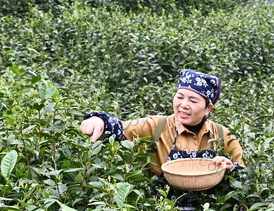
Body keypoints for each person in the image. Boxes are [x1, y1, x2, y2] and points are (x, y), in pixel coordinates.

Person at [78, 69, 245, 189]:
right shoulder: (156, 126)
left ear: (208, 108)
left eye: (193, 101)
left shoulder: (222, 134)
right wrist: (98, 120)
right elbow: (119, 128)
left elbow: (243, 176)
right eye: (180, 97)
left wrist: (229, 168)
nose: (183, 105)